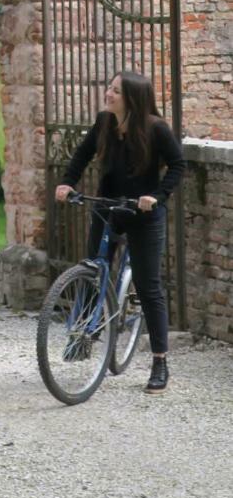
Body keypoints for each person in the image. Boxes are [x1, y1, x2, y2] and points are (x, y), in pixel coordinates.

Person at [54, 70, 185, 394]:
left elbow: (178, 165)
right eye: (108, 88)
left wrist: (157, 197)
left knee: (148, 285)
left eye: (115, 91)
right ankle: (84, 336)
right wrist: (68, 182)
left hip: (143, 215)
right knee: (94, 267)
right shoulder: (104, 123)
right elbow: (82, 155)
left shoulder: (156, 129)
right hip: (108, 207)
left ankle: (159, 360)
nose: (108, 94)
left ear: (132, 99)